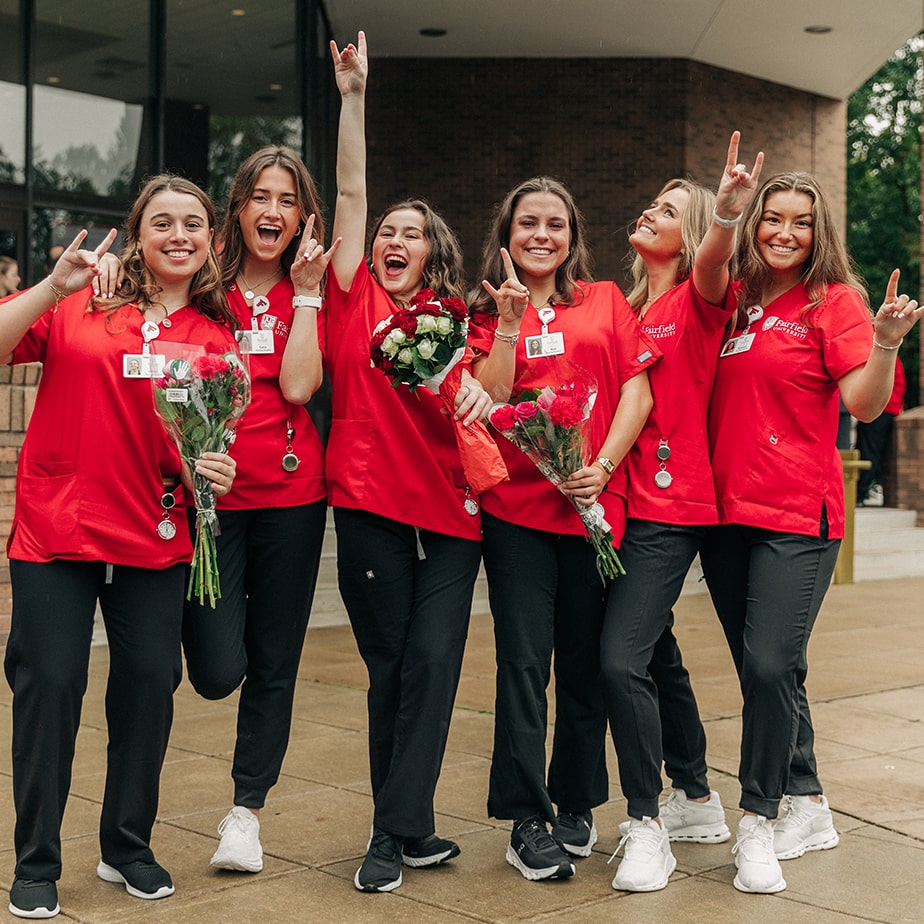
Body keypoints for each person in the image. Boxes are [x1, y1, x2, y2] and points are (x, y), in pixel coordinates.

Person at [1, 176, 240, 919]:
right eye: (161, 222)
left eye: (193, 224)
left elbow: (216, 443)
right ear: (137, 234)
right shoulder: (80, 302)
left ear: (211, 241)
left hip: (153, 538)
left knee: (146, 688)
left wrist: (217, 468)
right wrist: (49, 285)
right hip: (57, 530)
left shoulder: (214, 335)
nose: (178, 234)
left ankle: (126, 845)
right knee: (52, 687)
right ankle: (37, 858)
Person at [699, 171, 923, 894]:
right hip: (727, 514)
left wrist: (885, 344)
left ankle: (759, 819)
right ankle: (810, 802)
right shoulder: (739, 300)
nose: (784, 232)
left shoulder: (835, 301)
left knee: (768, 665)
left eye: (799, 220)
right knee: (769, 669)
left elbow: (864, 399)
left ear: (817, 230)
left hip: (799, 514)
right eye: (772, 218)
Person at [328, 32, 494, 894]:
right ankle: (406, 828)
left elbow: (500, 398)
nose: (395, 239)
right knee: (391, 666)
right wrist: (354, 95)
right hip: (368, 505)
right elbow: (350, 190)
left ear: (433, 252)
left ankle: (391, 834)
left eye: (413, 234)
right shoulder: (353, 298)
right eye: (388, 230)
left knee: (433, 664)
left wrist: (480, 392)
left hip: (456, 514)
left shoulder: (460, 319)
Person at [469, 177, 657, 881]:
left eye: (555, 224)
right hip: (517, 514)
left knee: (584, 665)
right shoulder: (482, 316)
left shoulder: (605, 300)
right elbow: (483, 402)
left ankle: (576, 800)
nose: (541, 235)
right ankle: (526, 816)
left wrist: (603, 466)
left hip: (595, 507)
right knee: (522, 664)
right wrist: (511, 324)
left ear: (573, 237)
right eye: (528, 224)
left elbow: (637, 387)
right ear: (507, 233)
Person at [601, 133, 763, 893]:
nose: (649, 210)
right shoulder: (627, 304)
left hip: (673, 505)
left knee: (617, 657)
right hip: (617, 504)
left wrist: (725, 217)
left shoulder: (695, 299)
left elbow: (713, 265)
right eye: (651, 202)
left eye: (669, 209)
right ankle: (695, 795)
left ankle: (646, 825)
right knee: (655, 650)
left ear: (691, 234)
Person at [181, 147, 338, 873]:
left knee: (275, 660)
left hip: (292, 498)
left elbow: (302, 387)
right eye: (260, 198)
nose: (272, 212)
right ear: (237, 207)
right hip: (212, 497)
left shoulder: (315, 293)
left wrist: (305, 294)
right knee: (217, 668)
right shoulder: (199, 290)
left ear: (304, 217)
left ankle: (246, 812)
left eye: (288, 201)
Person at [855, 353, 906, 505]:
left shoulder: (884, 356)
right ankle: (862, 491)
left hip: (880, 410)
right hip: (884, 409)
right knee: (869, 450)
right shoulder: (891, 356)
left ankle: (860, 494)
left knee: (868, 451)